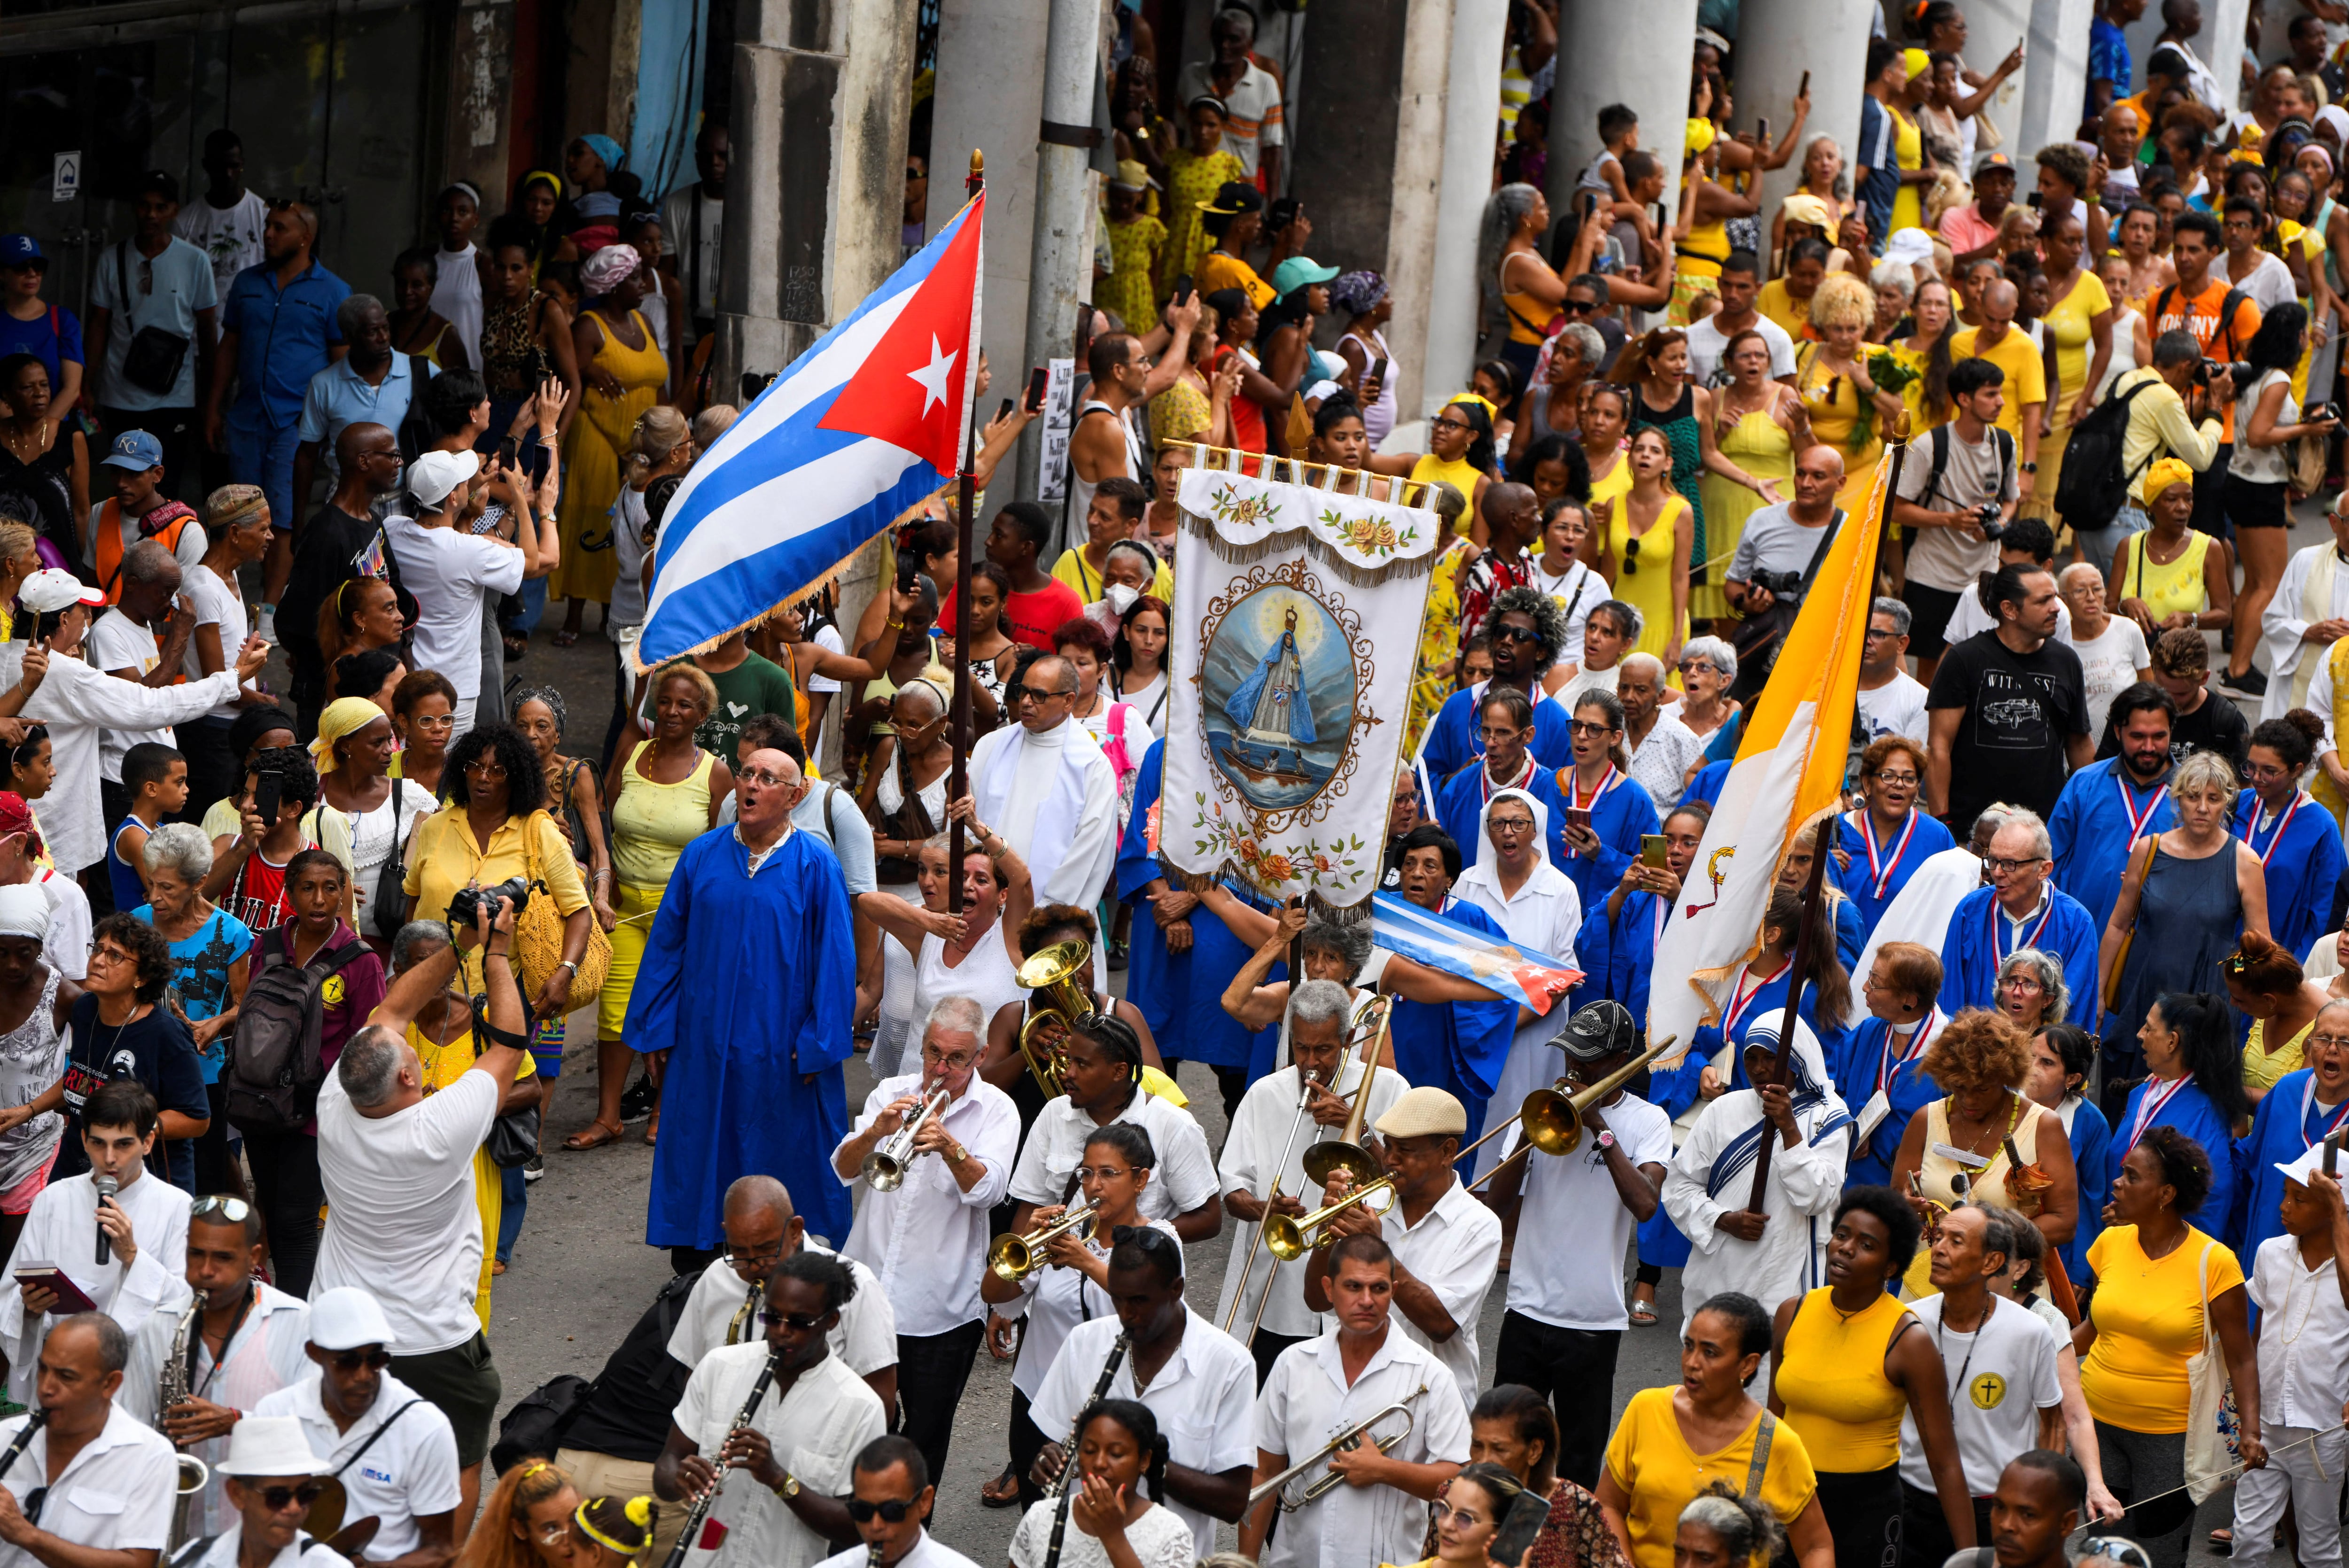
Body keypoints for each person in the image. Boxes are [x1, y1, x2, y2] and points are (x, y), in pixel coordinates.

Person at [309, 887, 533, 1527]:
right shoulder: (439, 1127)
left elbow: (391, 1007)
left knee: (347, 1451)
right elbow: (510, 1044)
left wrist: (460, 941)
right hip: (432, 1334)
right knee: (456, 1455)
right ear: (409, 1078)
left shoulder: (337, 1103)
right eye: (411, 1056)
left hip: (346, 1322)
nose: (410, 1047)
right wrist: (495, 952)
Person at [626, 747, 859, 1257]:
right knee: (701, 1139)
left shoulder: (815, 864)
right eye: (747, 773)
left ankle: (779, 1251)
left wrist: (818, 1042)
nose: (751, 784)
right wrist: (657, 1026)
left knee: (777, 1145)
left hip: (781, 1044)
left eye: (768, 778)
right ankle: (699, 1251)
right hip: (703, 1038)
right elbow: (667, 945)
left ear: (793, 796)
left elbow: (836, 961)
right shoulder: (702, 854)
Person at [1479, 1005, 1671, 1486]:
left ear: (1622, 1059)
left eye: (1588, 1061)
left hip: (1591, 1323)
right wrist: (1525, 1136)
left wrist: (1597, 1126)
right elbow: (1496, 1208)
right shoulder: (1539, 1108)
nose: (1575, 1070)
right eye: (1570, 1058)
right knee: (1504, 1451)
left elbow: (1645, 1204)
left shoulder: (1648, 1120)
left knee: (1576, 1466)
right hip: (1524, 1310)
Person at [828, 999, 1016, 1485]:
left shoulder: (997, 1109)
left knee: (925, 1438)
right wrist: (875, 1130)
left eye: (956, 1057)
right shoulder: (891, 1091)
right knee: (858, 1428)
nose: (940, 1067)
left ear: (980, 1056)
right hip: (867, 1295)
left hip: (941, 1309)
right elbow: (845, 1170)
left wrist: (951, 1147)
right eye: (933, 1052)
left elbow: (990, 1191)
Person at [2077, 1126, 2262, 1568]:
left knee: (2158, 1553)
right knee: (2103, 1554)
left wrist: (2251, 1432)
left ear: (2165, 1193)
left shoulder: (2214, 1261)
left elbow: (2241, 1356)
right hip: (2097, 1425)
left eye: (2132, 1176)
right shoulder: (2110, 1243)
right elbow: (2092, 1328)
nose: (2118, 1183)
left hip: (2170, 1440)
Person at [1766, 1187, 1974, 1568]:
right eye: (1842, 1235)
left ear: (1890, 1267)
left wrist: (1971, 1557)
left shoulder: (1908, 1340)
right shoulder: (1792, 1313)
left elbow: (1943, 1461)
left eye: (1866, 1245)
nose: (1845, 1248)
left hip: (1864, 1515)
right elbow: (1773, 1425)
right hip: (1788, 1502)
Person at [569, 663, 732, 1150]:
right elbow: (607, 823)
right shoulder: (633, 752)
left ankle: (664, 1108)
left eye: (685, 704)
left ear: (702, 714)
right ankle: (609, 1116)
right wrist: (605, 882)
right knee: (614, 1011)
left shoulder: (714, 772)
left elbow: (722, 847)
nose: (673, 711)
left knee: (674, 1010)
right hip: (621, 907)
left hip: (681, 911)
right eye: (665, 701)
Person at [1215, 979, 1407, 1382]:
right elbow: (1233, 1193)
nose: (1310, 1062)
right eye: (1301, 1048)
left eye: (1324, 1049)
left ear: (1348, 1039)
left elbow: (1404, 1181)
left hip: (1359, 1297)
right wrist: (1263, 1209)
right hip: (1279, 1295)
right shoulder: (1263, 1094)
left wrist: (1359, 1127)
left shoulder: (1388, 1087)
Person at [1242, 1235, 1472, 1568]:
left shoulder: (1431, 1377)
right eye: (1353, 1287)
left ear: (1393, 1290)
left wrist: (1384, 1470)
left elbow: (1460, 1482)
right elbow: (1264, 1472)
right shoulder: (1293, 1364)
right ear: (1329, 1288)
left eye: (1378, 1289)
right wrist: (1242, 1563)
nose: (1367, 1300)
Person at [1027, 1228, 1255, 1555]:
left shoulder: (1230, 1364)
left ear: (1176, 1290)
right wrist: (1045, 1462)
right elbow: (1052, 1446)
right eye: (1117, 1298)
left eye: (1139, 1301)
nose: (1125, 1314)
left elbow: (1233, 1503)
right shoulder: (1084, 1342)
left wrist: (1147, 1462)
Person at [655, 1248, 887, 1568]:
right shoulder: (718, 1368)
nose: (781, 1331)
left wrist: (780, 1479)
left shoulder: (861, 1407)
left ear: (831, 1321)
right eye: (772, 1317)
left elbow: (860, 1528)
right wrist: (678, 1478)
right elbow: (667, 1465)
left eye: (800, 1322)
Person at [116, 1193, 311, 1539]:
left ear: (253, 1258)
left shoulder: (298, 1323)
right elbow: (132, 1429)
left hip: (266, 1539)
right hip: (178, 1537)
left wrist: (238, 1422)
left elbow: (319, 1428)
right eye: (196, 1254)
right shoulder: (161, 1326)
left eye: (223, 1258)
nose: (206, 1271)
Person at [1595, 1291, 1836, 1568]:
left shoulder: (1775, 1443)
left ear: (1748, 1364)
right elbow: (1608, 1504)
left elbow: (1816, 1547)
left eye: (1710, 1352)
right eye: (1689, 1346)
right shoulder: (1647, 1409)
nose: (1692, 1362)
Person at [1897, 1204, 2074, 1565]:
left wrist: (2042, 1504)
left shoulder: (2030, 1332)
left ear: (1991, 1262)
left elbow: (2054, 1423)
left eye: (1956, 1241)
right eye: (1939, 1237)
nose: (1939, 1249)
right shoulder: (1910, 1321)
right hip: (1910, 1501)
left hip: (1993, 1509)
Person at [1661, 1026, 1854, 1356]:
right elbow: (1679, 1187)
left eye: (1771, 1058)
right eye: (1751, 1057)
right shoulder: (1722, 1110)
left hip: (1784, 1280)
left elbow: (1818, 1198)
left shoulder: (1829, 1118)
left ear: (1796, 1060)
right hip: (1717, 1275)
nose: (1759, 1068)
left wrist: (1789, 1129)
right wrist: (1723, 1219)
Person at [0, 1081, 190, 1404]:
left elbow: (186, 1307)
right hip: (62, 1365)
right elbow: (13, 1293)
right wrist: (30, 1310)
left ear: (148, 1142)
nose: (110, 1158)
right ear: (84, 1139)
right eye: (99, 1143)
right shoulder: (53, 1200)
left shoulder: (177, 1206)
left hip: (133, 1375)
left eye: (124, 1145)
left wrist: (132, 1256)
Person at [206, 202, 349, 621]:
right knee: (239, 514)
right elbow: (228, 348)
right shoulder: (248, 283)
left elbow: (342, 365)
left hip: (296, 423)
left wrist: (335, 427)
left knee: (282, 517)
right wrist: (213, 408)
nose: (268, 234)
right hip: (247, 417)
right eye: (267, 226)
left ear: (305, 237)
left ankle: (269, 608)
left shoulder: (333, 291)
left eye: (280, 228)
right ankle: (230, 600)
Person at [250, 1287, 461, 1568]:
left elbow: (442, 1550)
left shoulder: (426, 1428)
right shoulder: (274, 1413)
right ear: (314, 1353)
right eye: (348, 1361)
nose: (363, 1376)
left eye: (375, 1360)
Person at [662, 1175, 896, 1417]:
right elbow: (692, 1376)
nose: (754, 1267)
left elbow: (882, 1402)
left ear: (795, 1230)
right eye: (740, 1251)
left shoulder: (858, 1284)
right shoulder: (715, 1277)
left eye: (766, 1249)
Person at [1887, 1010, 2081, 1296]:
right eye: (1959, 1087)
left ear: (2007, 1077)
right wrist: (1907, 1206)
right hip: (1927, 1291)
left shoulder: (2043, 1126)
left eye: (1983, 1089)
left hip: (2008, 1294)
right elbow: (1895, 1203)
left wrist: (1985, 1242)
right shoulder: (1925, 1121)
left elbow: (2064, 1222)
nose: (1969, 1099)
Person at [2227, 1143, 2349, 1568]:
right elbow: (2259, 1334)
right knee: (2248, 1540)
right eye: (2284, 1194)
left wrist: (2339, 1216)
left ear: (2336, 1207)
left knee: (2318, 1548)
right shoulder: (2270, 1254)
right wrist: (2250, 1419)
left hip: (2322, 1427)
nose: (2284, 1207)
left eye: (2299, 1199)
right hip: (2267, 1425)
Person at [2099, 753, 2267, 1054]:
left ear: (2226, 803)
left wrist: (2228, 977)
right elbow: (2118, 924)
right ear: (2178, 798)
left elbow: (2259, 947)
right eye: (2192, 797)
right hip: (2144, 996)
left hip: (2207, 1008)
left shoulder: (2245, 861)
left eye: (2213, 799)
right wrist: (2098, 992)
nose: (2202, 808)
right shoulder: (2148, 850)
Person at [550, 246, 665, 644]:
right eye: (634, 278)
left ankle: (614, 612)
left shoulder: (645, 322)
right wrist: (588, 366)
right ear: (614, 286)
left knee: (638, 526)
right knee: (592, 519)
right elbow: (571, 373)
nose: (643, 285)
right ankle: (576, 613)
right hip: (596, 432)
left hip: (642, 442)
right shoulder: (589, 326)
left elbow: (658, 382)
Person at [0, 1313, 178, 1568]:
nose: (46, 1389)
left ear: (110, 1384)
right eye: (43, 1369)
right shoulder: (5, 1436)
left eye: (66, 1377)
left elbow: (138, 1563)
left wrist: (25, 1535)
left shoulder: (150, 1455)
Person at [1925, 567, 2092, 832]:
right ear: (2010, 610)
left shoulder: (2066, 661)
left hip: (2044, 826)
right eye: (2043, 601)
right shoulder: (1964, 659)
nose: (2057, 608)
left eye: (2055, 598)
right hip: (1972, 825)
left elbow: (2079, 743)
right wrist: (1942, 824)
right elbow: (1939, 746)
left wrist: (2087, 815)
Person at [384, 450, 537, 739]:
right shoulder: (469, 551)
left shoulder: (393, 530)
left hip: (408, 680)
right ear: (454, 498)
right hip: (457, 692)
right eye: (463, 482)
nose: (470, 483)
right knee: (447, 776)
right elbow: (531, 560)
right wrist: (517, 493)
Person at [86, 172, 218, 497]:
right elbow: (98, 326)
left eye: (161, 207)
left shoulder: (195, 261)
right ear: (135, 208)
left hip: (175, 395)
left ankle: (161, 549)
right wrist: (86, 386)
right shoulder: (111, 259)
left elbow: (207, 331)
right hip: (120, 394)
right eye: (145, 206)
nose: (152, 215)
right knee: (123, 486)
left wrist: (207, 397)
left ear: (174, 210)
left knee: (165, 487)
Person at [1894, 359, 2023, 681]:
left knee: (1987, 664)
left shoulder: (2005, 443)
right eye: (1991, 394)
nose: (2001, 402)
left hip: (1985, 576)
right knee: (1930, 669)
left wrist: (2002, 524)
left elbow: (2012, 498)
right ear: (1964, 399)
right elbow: (1896, 509)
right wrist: (1951, 520)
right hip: (1933, 575)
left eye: (2001, 393)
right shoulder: (1930, 445)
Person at [964, 652, 1119, 917]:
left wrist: (1046, 915)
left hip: (1049, 920)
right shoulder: (990, 747)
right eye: (1023, 691)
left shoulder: (1092, 765)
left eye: (1039, 695)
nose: (1025, 702)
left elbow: (1090, 851)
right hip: (982, 909)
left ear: (1069, 701)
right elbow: (966, 822)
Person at [1936, 810, 2102, 1031]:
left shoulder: (2076, 924)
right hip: (1973, 1056)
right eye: (1993, 861)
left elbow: (2072, 1016)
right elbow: (1950, 995)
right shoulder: (1970, 911)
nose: (1997, 872)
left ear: (2044, 870)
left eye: (2010, 864)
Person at [2049, 685, 2178, 937]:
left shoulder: (2193, 796)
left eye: (2159, 736)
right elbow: (2052, 863)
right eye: (2138, 736)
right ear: (2118, 731)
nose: (2149, 747)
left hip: (2162, 943)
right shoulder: (2084, 785)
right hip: (2085, 937)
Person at [1007, 1399, 1194, 1568]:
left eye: (1116, 1454)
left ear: (1144, 1460)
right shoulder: (1041, 1517)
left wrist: (1114, 1538)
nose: (1099, 1463)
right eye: (1089, 1451)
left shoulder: (1172, 1535)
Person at [179, 1413, 360, 1568]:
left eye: (306, 1495)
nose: (295, 1508)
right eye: (278, 1497)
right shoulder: (194, 1560)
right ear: (237, 1494)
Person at [2235, 715, 2345, 963]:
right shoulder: (2238, 806)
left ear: (2297, 770)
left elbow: (2326, 913)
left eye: (2269, 772)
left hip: (2279, 962)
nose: (2256, 778)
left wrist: (2295, 969)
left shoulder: (2321, 827)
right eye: (2251, 767)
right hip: (2223, 952)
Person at [1837, 740, 1956, 940]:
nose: (1899, 784)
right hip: (1840, 960)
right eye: (1888, 776)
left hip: (1903, 963)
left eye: (1909, 779)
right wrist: (1824, 867)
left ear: (1918, 789)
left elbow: (1949, 905)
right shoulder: (1836, 831)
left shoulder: (1937, 836)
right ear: (1867, 783)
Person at [2111, 460, 2232, 641]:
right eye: (2171, 499)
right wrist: (2126, 605)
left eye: (2189, 499)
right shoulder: (2129, 547)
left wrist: (2189, 619)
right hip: (2134, 658)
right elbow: (2109, 606)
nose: (2183, 507)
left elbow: (2224, 614)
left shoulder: (2208, 548)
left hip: (2182, 659)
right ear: (2152, 505)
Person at [2257, 494, 2349, 721]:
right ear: (2334, 523)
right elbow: (2273, 621)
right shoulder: (2306, 562)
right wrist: (2308, 632)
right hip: (2306, 687)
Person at [1175, 9, 1285, 186]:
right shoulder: (1191, 76)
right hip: (1192, 189)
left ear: (1249, 44)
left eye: (1234, 40)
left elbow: (1272, 148)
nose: (1225, 46)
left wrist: (1272, 204)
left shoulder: (1265, 84)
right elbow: (1178, 133)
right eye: (1220, 38)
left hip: (1238, 196)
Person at [2058, 565, 2154, 747]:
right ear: (2064, 599)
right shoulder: (2059, 641)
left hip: (2128, 742)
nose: (2091, 598)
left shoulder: (2128, 629)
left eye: (2097, 589)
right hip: (2079, 743)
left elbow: (2149, 686)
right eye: (2080, 591)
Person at [177, 131, 269, 299]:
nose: (228, 174)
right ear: (206, 166)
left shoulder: (264, 216)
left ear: (242, 165)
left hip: (247, 323)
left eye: (234, 166)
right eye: (220, 166)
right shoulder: (185, 221)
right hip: (198, 323)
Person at [2141, 629, 2248, 771]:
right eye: (2163, 690)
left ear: (2204, 678)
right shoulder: (2134, 709)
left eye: (2181, 694)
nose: (2170, 701)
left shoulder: (2226, 720)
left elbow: (2244, 788)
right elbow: (2105, 772)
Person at [1854, 601, 1930, 747]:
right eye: (1864, 631)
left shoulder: (1919, 700)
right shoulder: (1830, 688)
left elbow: (1913, 762)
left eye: (1878, 634)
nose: (1868, 641)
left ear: (1901, 644)